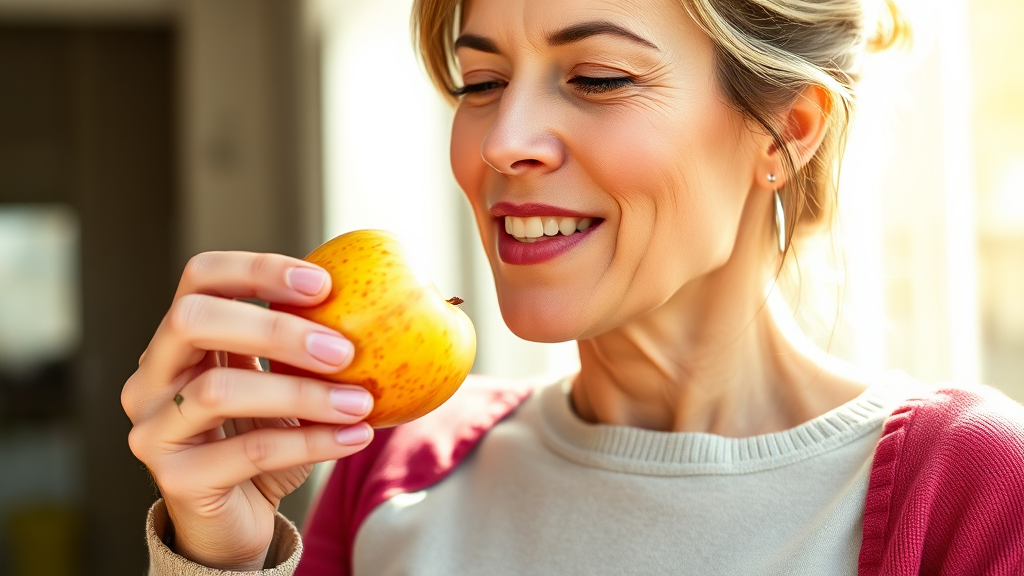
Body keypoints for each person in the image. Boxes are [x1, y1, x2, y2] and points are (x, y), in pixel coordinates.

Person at [122, 0, 1024, 574]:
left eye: (597, 77)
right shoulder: (393, 466)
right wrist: (222, 560)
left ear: (784, 133)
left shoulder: (974, 490)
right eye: (481, 81)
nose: (504, 139)